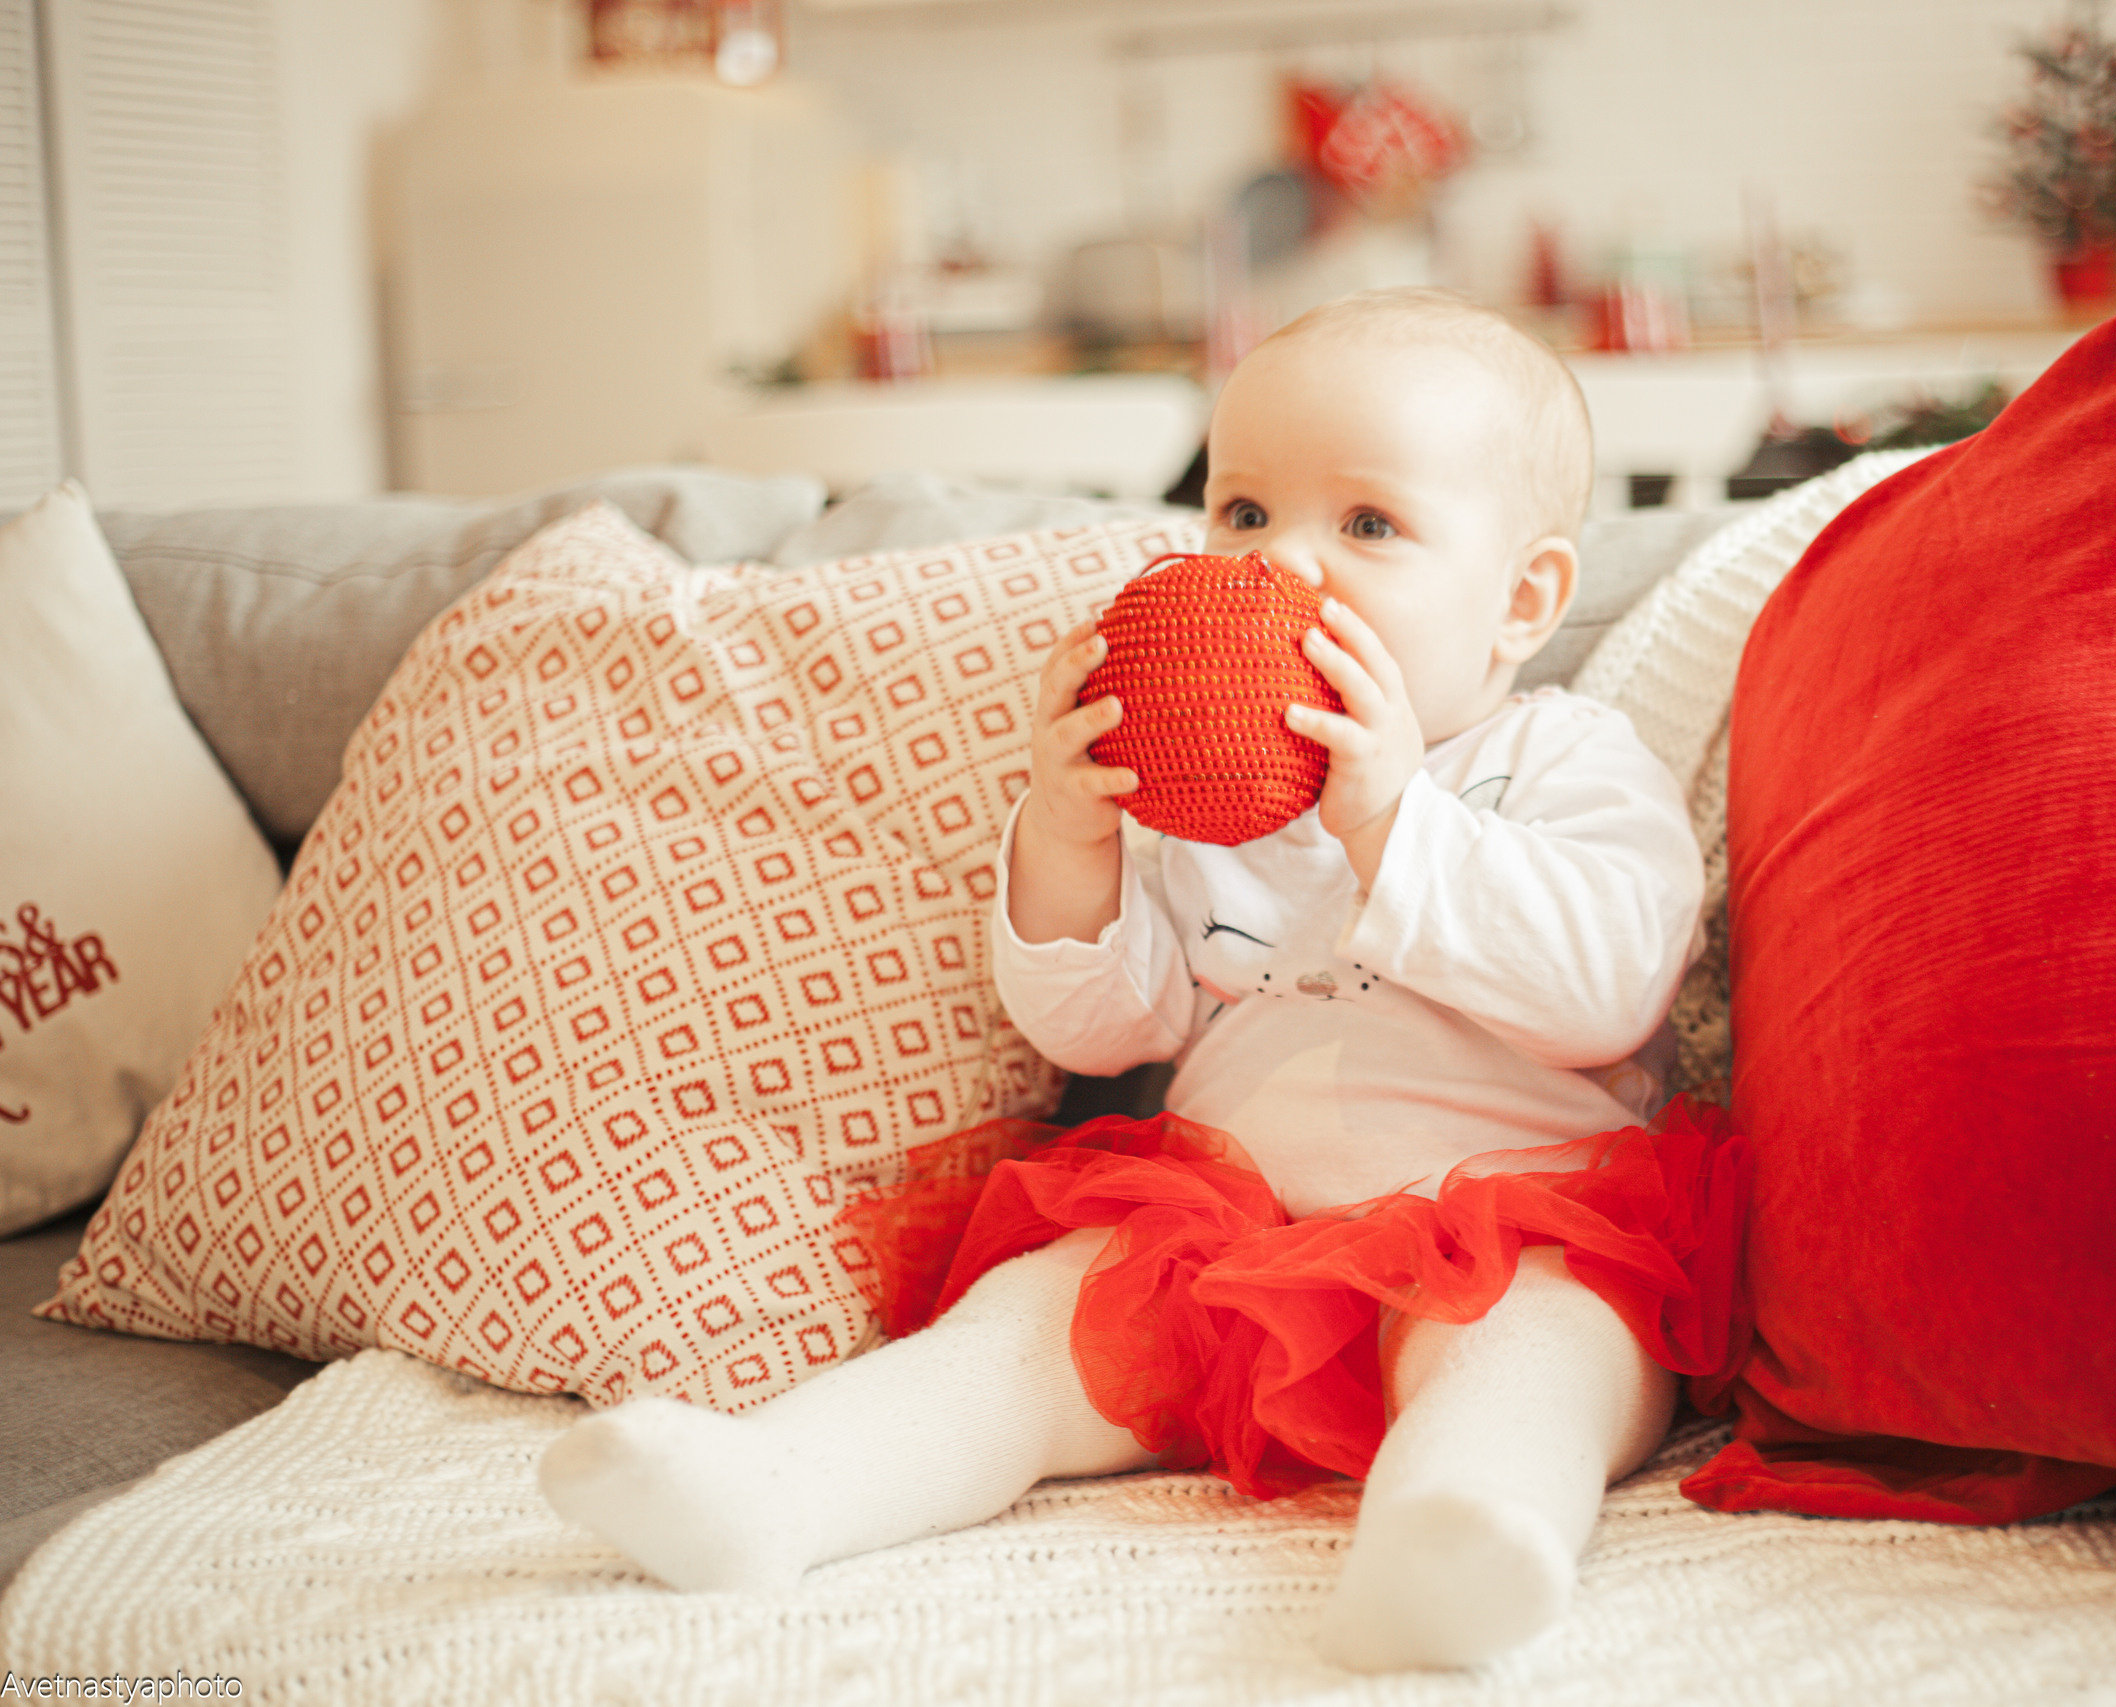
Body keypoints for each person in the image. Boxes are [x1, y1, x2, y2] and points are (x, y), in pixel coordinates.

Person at [539, 287, 1746, 1672]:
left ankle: (1463, 1532)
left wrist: (1389, 820)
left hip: (1516, 1226)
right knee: (1028, 1329)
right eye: (1242, 514)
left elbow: (1606, 992)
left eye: (1366, 525)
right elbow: (1105, 1022)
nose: (1279, 568)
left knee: (1541, 1352)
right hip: (1226, 1243)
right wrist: (1073, 838)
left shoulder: (1565, 762)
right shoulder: (1204, 800)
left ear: (1521, 600)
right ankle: (780, 1488)